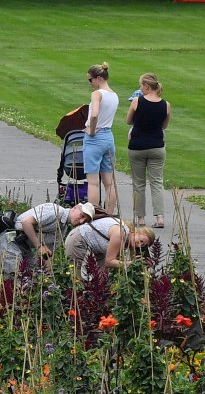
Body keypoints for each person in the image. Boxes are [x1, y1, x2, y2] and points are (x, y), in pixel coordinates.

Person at [0, 202, 92, 277]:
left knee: (30, 275)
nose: (81, 221)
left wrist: (48, 276)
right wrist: (39, 246)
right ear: (75, 208)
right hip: (11, 239)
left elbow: (48, 253)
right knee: (14, 274)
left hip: (24, 246)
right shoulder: (56, 211)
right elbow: (26, 222)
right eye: (82, 216)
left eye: (85, 221)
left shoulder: (63, 228)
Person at [126, 73, 170, 229]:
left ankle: (141, 218)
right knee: (157, 182)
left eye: (141, 85)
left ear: (146, 86)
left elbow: (128, 120)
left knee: (139, 184)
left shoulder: (137, 101)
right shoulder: (165, 104)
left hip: (138, 146)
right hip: (157, 146)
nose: (140, 88)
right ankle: (160, 217)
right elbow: (164, 125)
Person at [64, 215, 154, 276]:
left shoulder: (126, 240)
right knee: (84, 278)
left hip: (93, 248)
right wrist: (131, 263)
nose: (139, 244)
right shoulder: (121, 234)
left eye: (143, 245)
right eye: (141, 240)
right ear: (136, 232)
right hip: (79, 241)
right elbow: (109, 262)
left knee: (102, 278)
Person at [84, 62, 119, 213]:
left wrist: (91, 130)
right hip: (108, 136)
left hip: (95, 138)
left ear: (98, 78)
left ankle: (95, 214)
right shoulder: (114, 95)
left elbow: (95, 114)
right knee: (109, 183)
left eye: (90, 80)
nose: (90, 83)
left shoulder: (97, 94)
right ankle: (109, 213)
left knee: (93, 182)